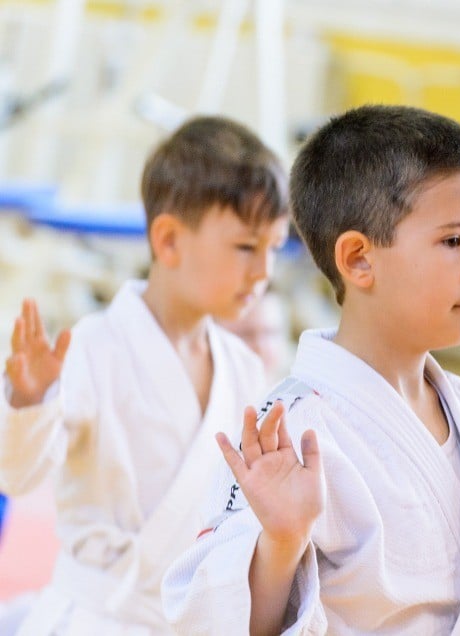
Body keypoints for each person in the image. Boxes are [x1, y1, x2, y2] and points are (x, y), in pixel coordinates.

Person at [162, 104, 460, 635]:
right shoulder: (292, 436)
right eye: (453, 241)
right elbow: (213, 622)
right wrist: (279, 543)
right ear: (358, 259)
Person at [0, 115, 289, 634]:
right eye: (246, 247)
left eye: (273, 248)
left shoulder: (244, 370)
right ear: (170, 240)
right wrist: (29, 399)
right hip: (93, 618)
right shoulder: (95, 347)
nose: (263, 271)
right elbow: (17, 476)